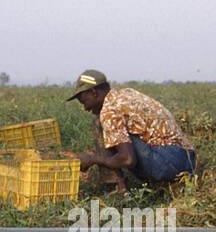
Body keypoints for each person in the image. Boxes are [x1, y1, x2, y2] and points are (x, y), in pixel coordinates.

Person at [65, 69, 197, 194]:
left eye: (84, 101)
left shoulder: (109, 110)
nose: (85, 108)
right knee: (109, 128)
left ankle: (118, 186)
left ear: (94, 92)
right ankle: (122, 184)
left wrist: (93, 159)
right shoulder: (126, 93)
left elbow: (128, 160)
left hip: (168, 162)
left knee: (100, 123)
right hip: (188, 159)